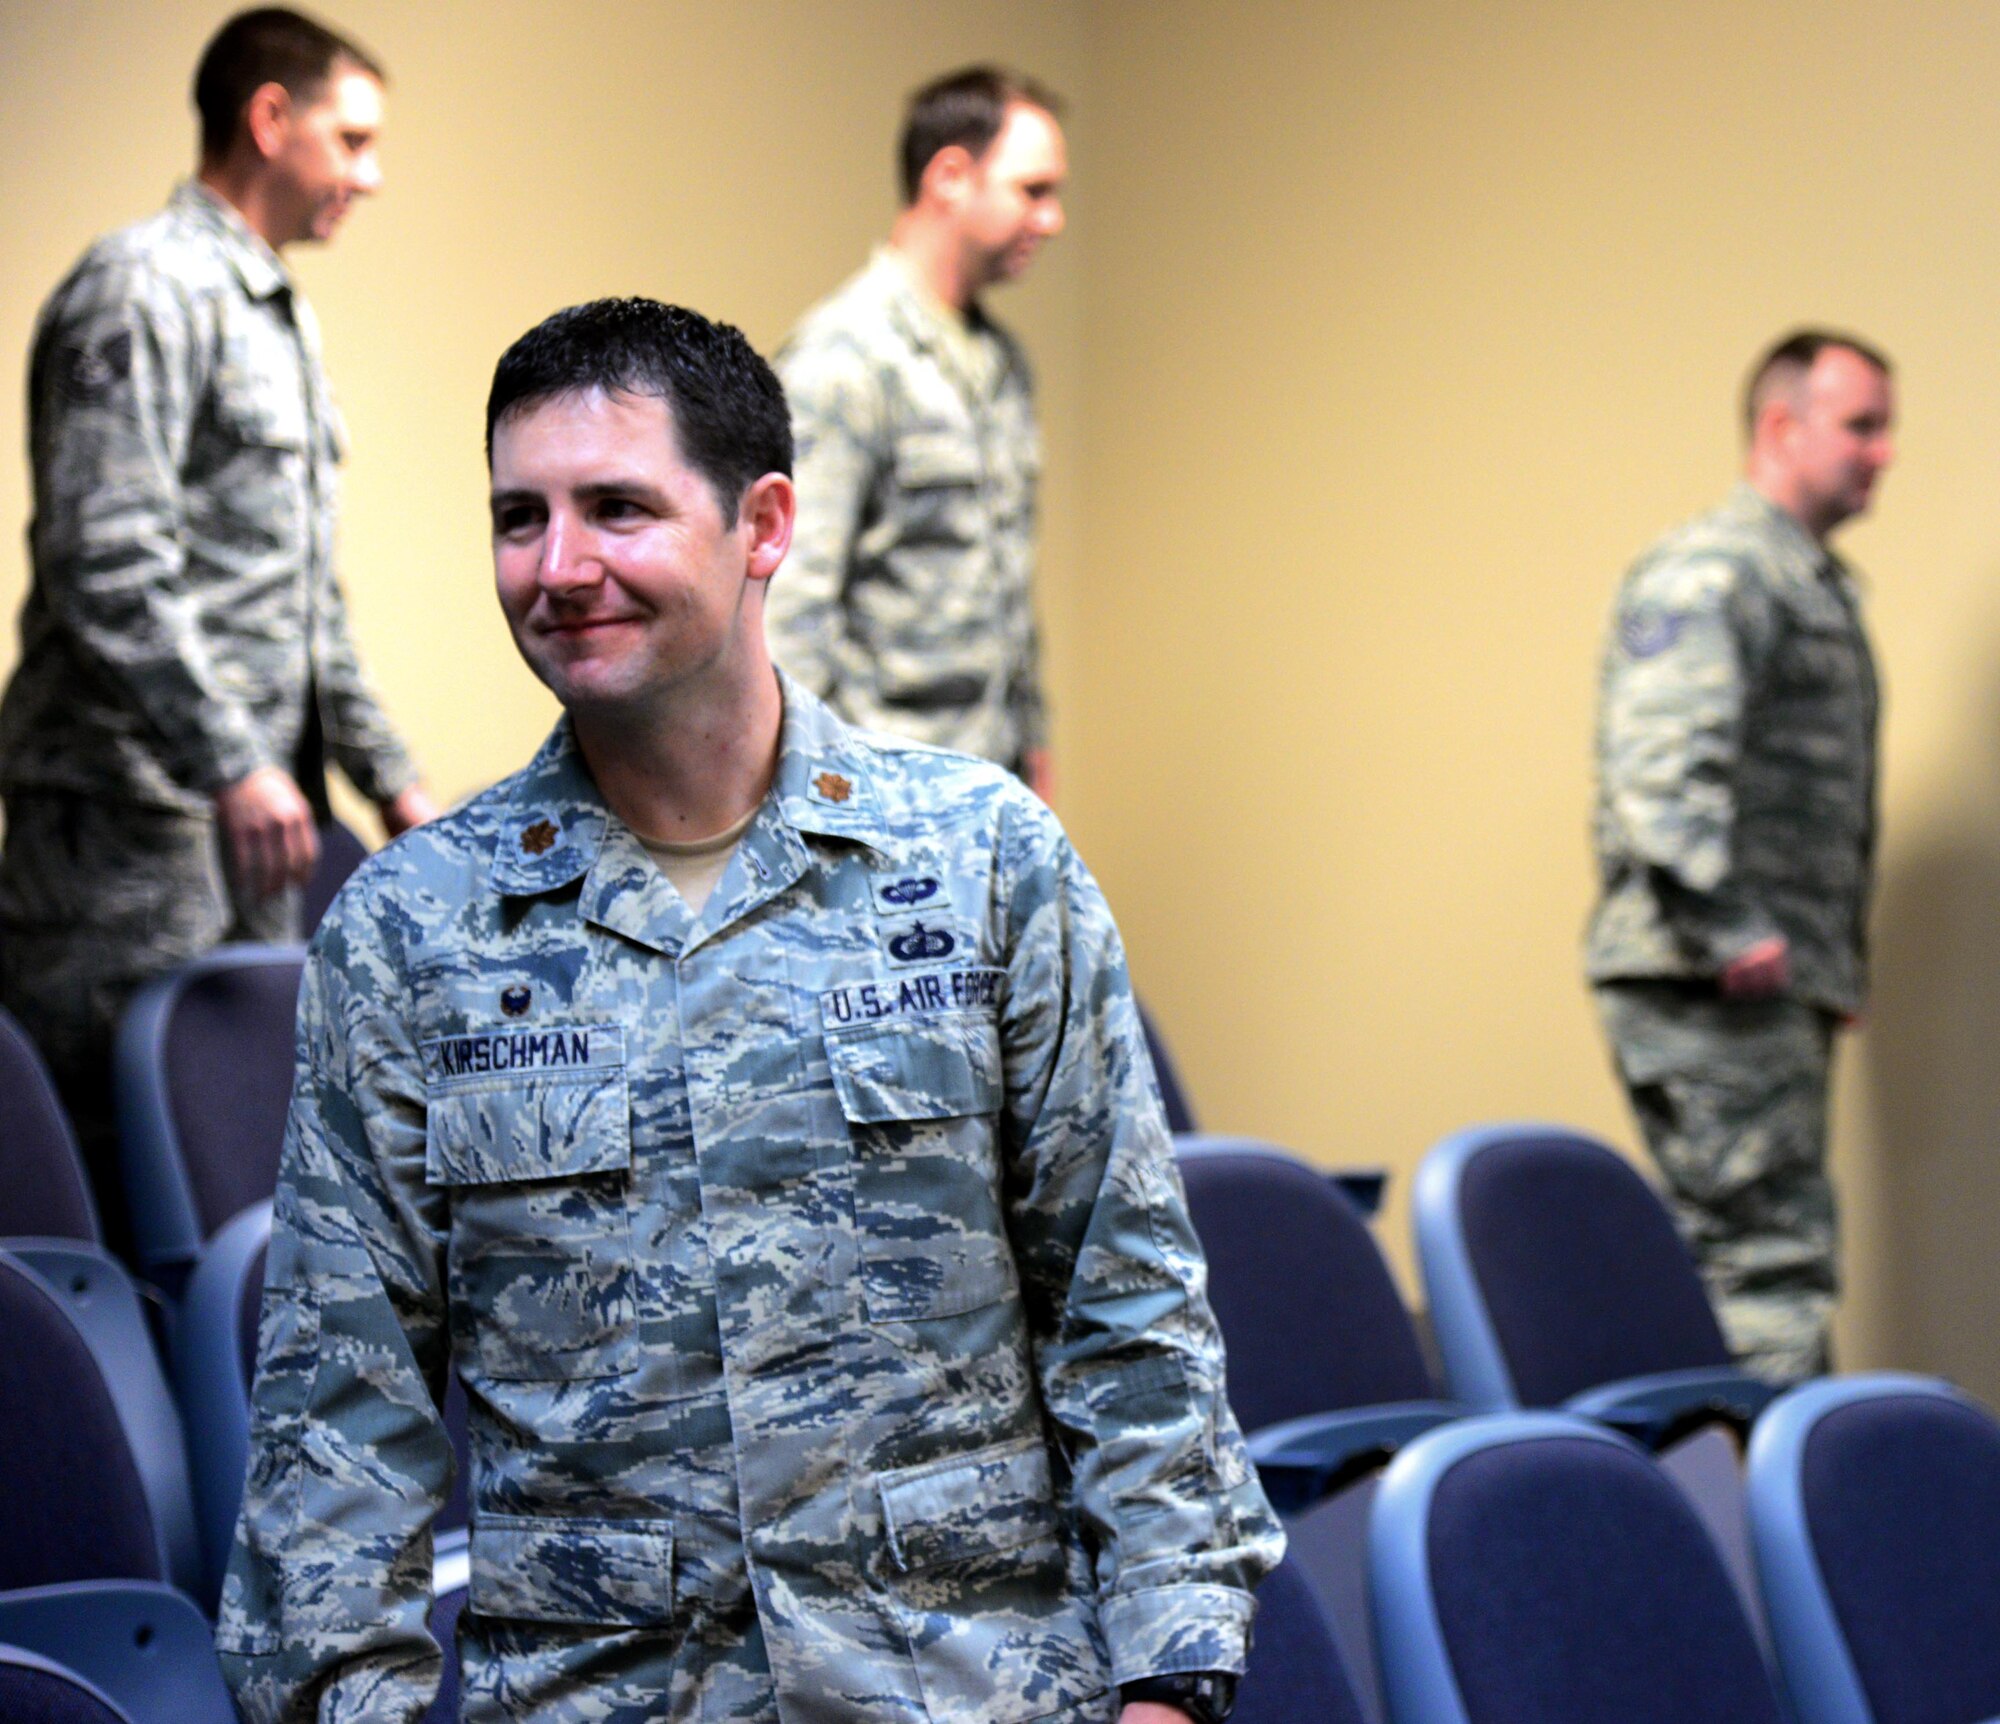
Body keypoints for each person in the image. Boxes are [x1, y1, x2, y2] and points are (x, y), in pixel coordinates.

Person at [217, 298, 1280, 1724]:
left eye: (618, 508)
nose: (560, 566)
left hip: (975, 1691)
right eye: (519, 517)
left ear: (762, 524)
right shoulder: (415, 931)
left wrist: (1169, 1682)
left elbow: (1129, 1303)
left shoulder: (983, 861)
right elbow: (338, 1413)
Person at [0, 5, 435, 1247]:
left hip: (240, 837)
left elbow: (302, 605)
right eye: (351, 140)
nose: (370, 174)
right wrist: (232, 756)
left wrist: (392, 785)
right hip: (125, 842)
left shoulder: (270, 311)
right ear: (268, 118)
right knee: (98, 1206)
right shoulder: (143, 287)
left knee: (225, 1194)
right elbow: (105, 562)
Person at [1587, 329, 1893, 1385]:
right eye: (1859, 424)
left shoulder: (1802, 580)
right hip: (1706, 971)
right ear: (1779, 426)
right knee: (1766, 1267)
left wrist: (1822, 968)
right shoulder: (1716, 569)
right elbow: (1658, 774)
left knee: (1755, 1258)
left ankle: (1766, 1516)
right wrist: (1732, 928)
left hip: (1764, 978)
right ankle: (1779, 1536)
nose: (1882, 452)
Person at [769, 66, 1066, 798]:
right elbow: (788, 616)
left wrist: (1032, 743)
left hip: (986, 787)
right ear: (950, 176)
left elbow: (1004, 585)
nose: (1053, 218)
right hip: (881, 792)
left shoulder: (1000, 364)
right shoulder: (844, 360)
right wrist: (819, 801)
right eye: (1033, 190)